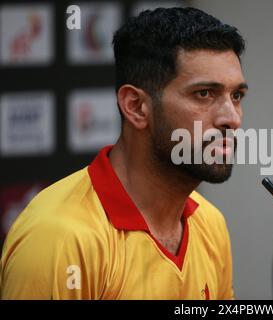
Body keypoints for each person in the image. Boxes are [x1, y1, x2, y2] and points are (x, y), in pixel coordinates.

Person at [0, 7, 248, 299]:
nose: (231, 118)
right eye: (204, 94)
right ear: (135, 106)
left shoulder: (210, 223)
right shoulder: (58, 238)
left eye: (236, 96)